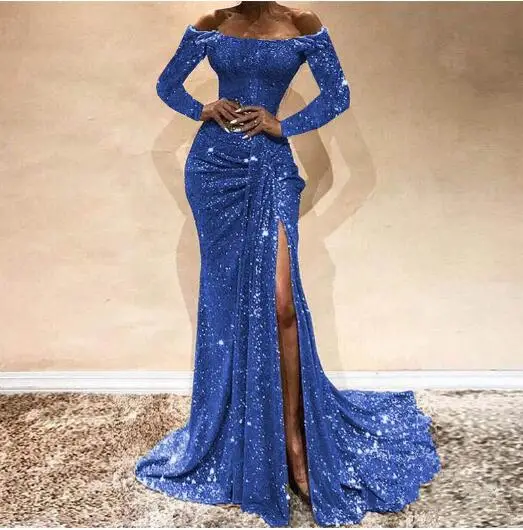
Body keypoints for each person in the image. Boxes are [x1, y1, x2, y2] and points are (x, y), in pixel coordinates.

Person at [135, 2, 441, 527]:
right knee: (227, 304)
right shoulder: (213, 22)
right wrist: (202, 109)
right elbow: (167, 85)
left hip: (270, 168)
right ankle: (242, 432)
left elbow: (338, 93)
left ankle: (296, 444)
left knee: (282, 306)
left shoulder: (302, 24)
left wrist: (286, 124)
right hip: (213, 169)